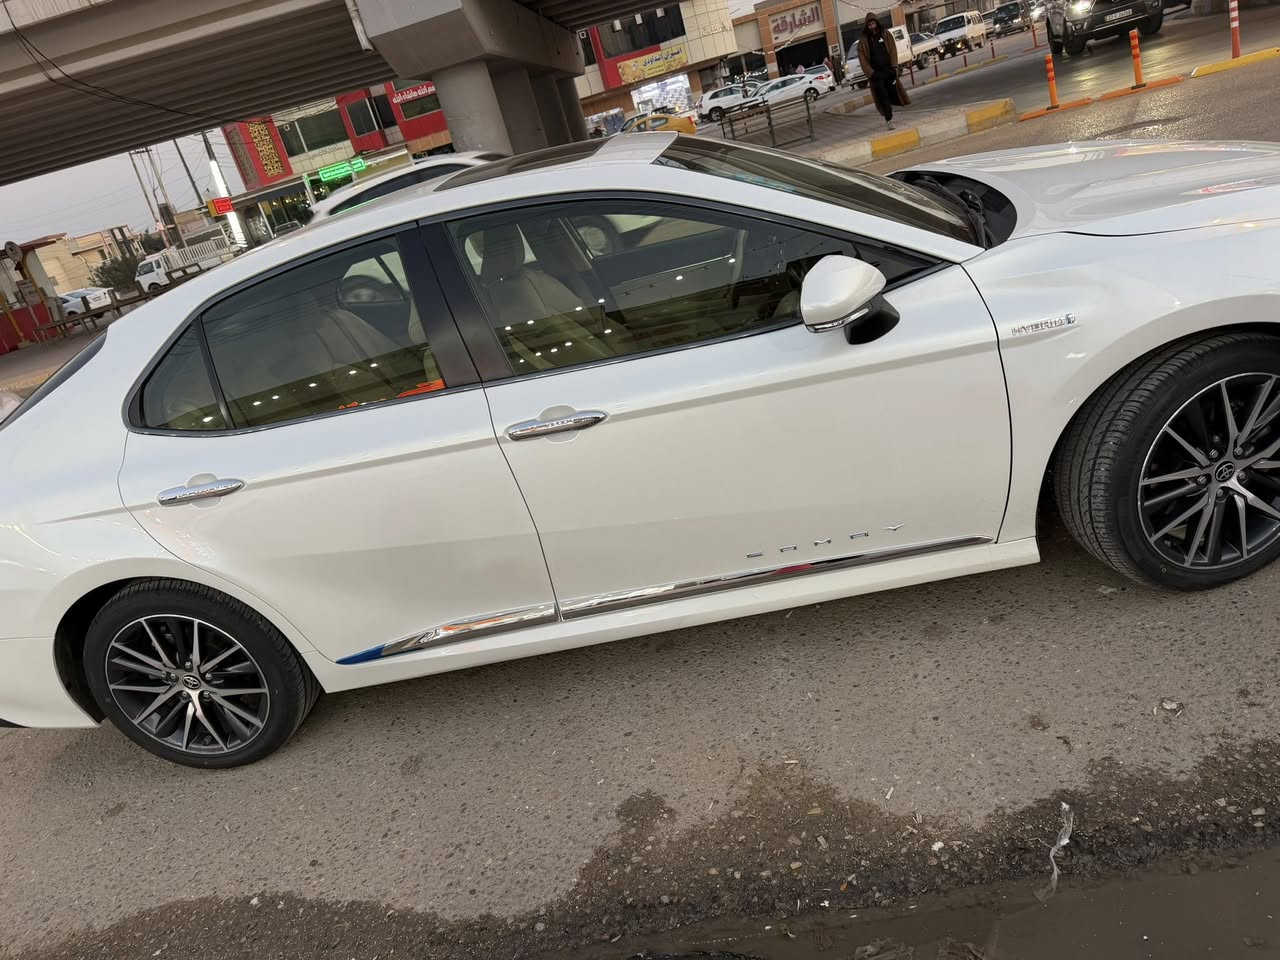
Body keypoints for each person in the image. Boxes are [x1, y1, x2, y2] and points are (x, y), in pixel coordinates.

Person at [856, 12, 910, 129]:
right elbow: (862, 59)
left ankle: (891, 109)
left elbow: (893, 50)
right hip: (876, 74)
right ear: (867, 26)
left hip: (888, 70)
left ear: (876, 23)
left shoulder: (885, 34)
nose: (872, 26)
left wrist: (894, 66)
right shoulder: (863, 41)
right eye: (869, 24)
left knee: (893, 92)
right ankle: (889, 119)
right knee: (882, 96)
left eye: (873, 23)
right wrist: (871, 73)